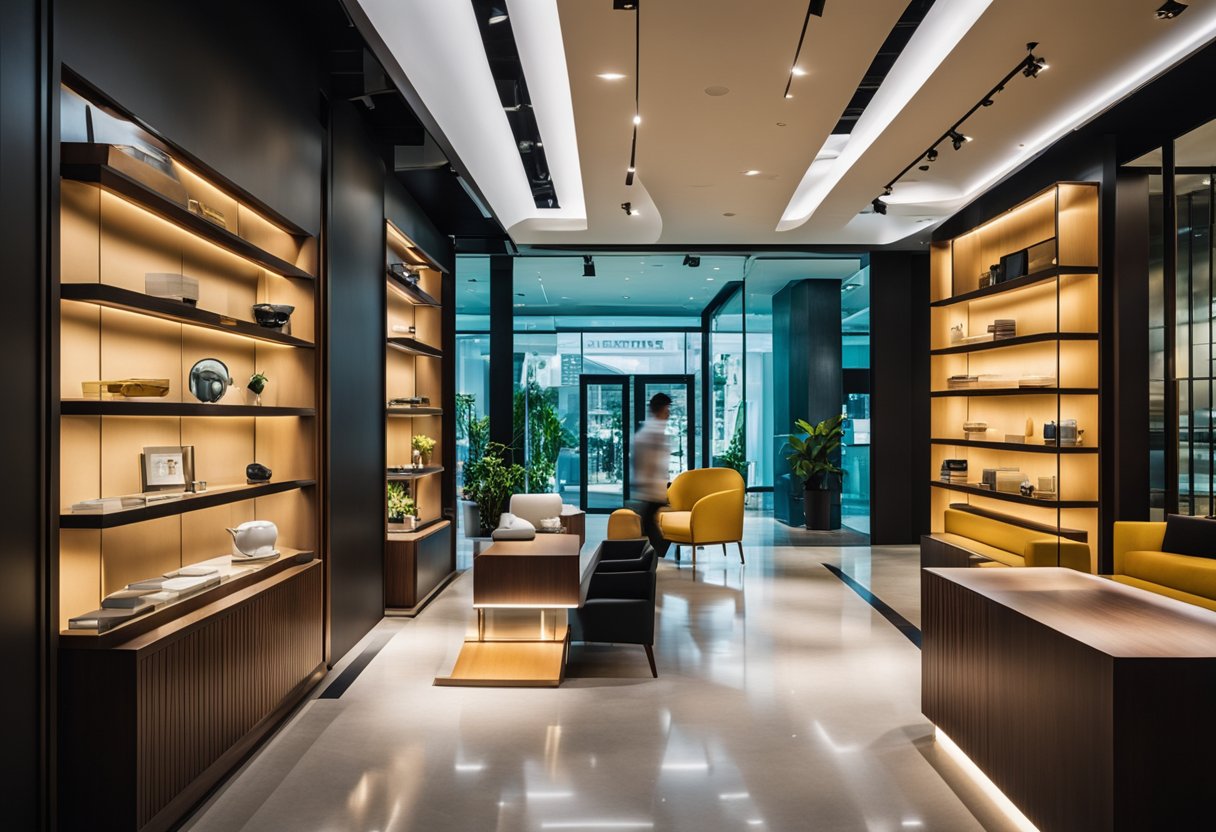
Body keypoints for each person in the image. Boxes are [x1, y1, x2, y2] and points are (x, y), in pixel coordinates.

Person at [633, 392, 672, 556]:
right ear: (661, 409)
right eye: (667, 409)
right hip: (651, 487)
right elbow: (649, 461)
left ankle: (659, 552)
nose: (669, 413)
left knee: (647, 522)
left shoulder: (653, 429)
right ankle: (659, 551)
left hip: (653, 487)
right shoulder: (653, 431)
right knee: (647, 522)